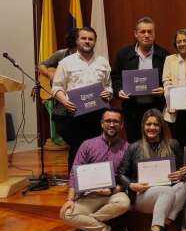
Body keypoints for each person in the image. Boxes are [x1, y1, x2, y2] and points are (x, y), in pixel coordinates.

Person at [118, 109, 186, 231]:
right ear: (143, 126)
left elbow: (184, 171)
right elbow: (121, 174)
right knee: (167, 191)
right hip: (143, 196)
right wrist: (132, 185)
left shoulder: (173, 144)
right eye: (148, 124)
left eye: (156, 124)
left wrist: (182, 173)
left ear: (161, 127)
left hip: (166, 194)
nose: (152, 128)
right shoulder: (134, 147)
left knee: (185, 187)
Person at [59, 108, 131, 231]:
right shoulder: (88, 145)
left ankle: (87, 226)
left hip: (112, 193)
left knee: (124, 203)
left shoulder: (127, 148)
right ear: (101, 123)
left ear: (121, 125)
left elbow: (129, 177)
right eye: (108, 121)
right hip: (89, 194)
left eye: (115, 121)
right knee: (66, 214)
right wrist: (70, 199)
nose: (111, 124)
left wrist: (113, 190)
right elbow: (75, 173)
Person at [52, 26, 113, 168]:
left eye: (90, 39)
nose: (87, 41)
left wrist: (109, 92)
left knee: (99, 149)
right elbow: (56, 87)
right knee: (77, 149)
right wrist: (65, 101)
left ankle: (99, 181)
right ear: (77, 41)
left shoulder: (103, 62)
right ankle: (75, 184)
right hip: (75, 113)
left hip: (98, 113)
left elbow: (108, 85)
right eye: (84, 38)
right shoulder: (66, 63)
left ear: (95, 42)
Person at [111, 17, 168, 143]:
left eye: (150, 32)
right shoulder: (123, 54)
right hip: (132, 109)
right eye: (143, 32)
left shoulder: (164, 55)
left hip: (155, 107)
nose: (146, 35)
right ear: (136, 34)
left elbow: (170, 79)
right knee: (134, 143)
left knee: (156, 142)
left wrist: (164, 89)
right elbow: (115, 77)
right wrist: (119, 90)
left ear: (154, 34)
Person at [39, 27, 78, 146]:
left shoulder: (89, 56)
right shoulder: (61, 54)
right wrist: (49, 74)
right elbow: (41, 65)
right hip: (62, 103)